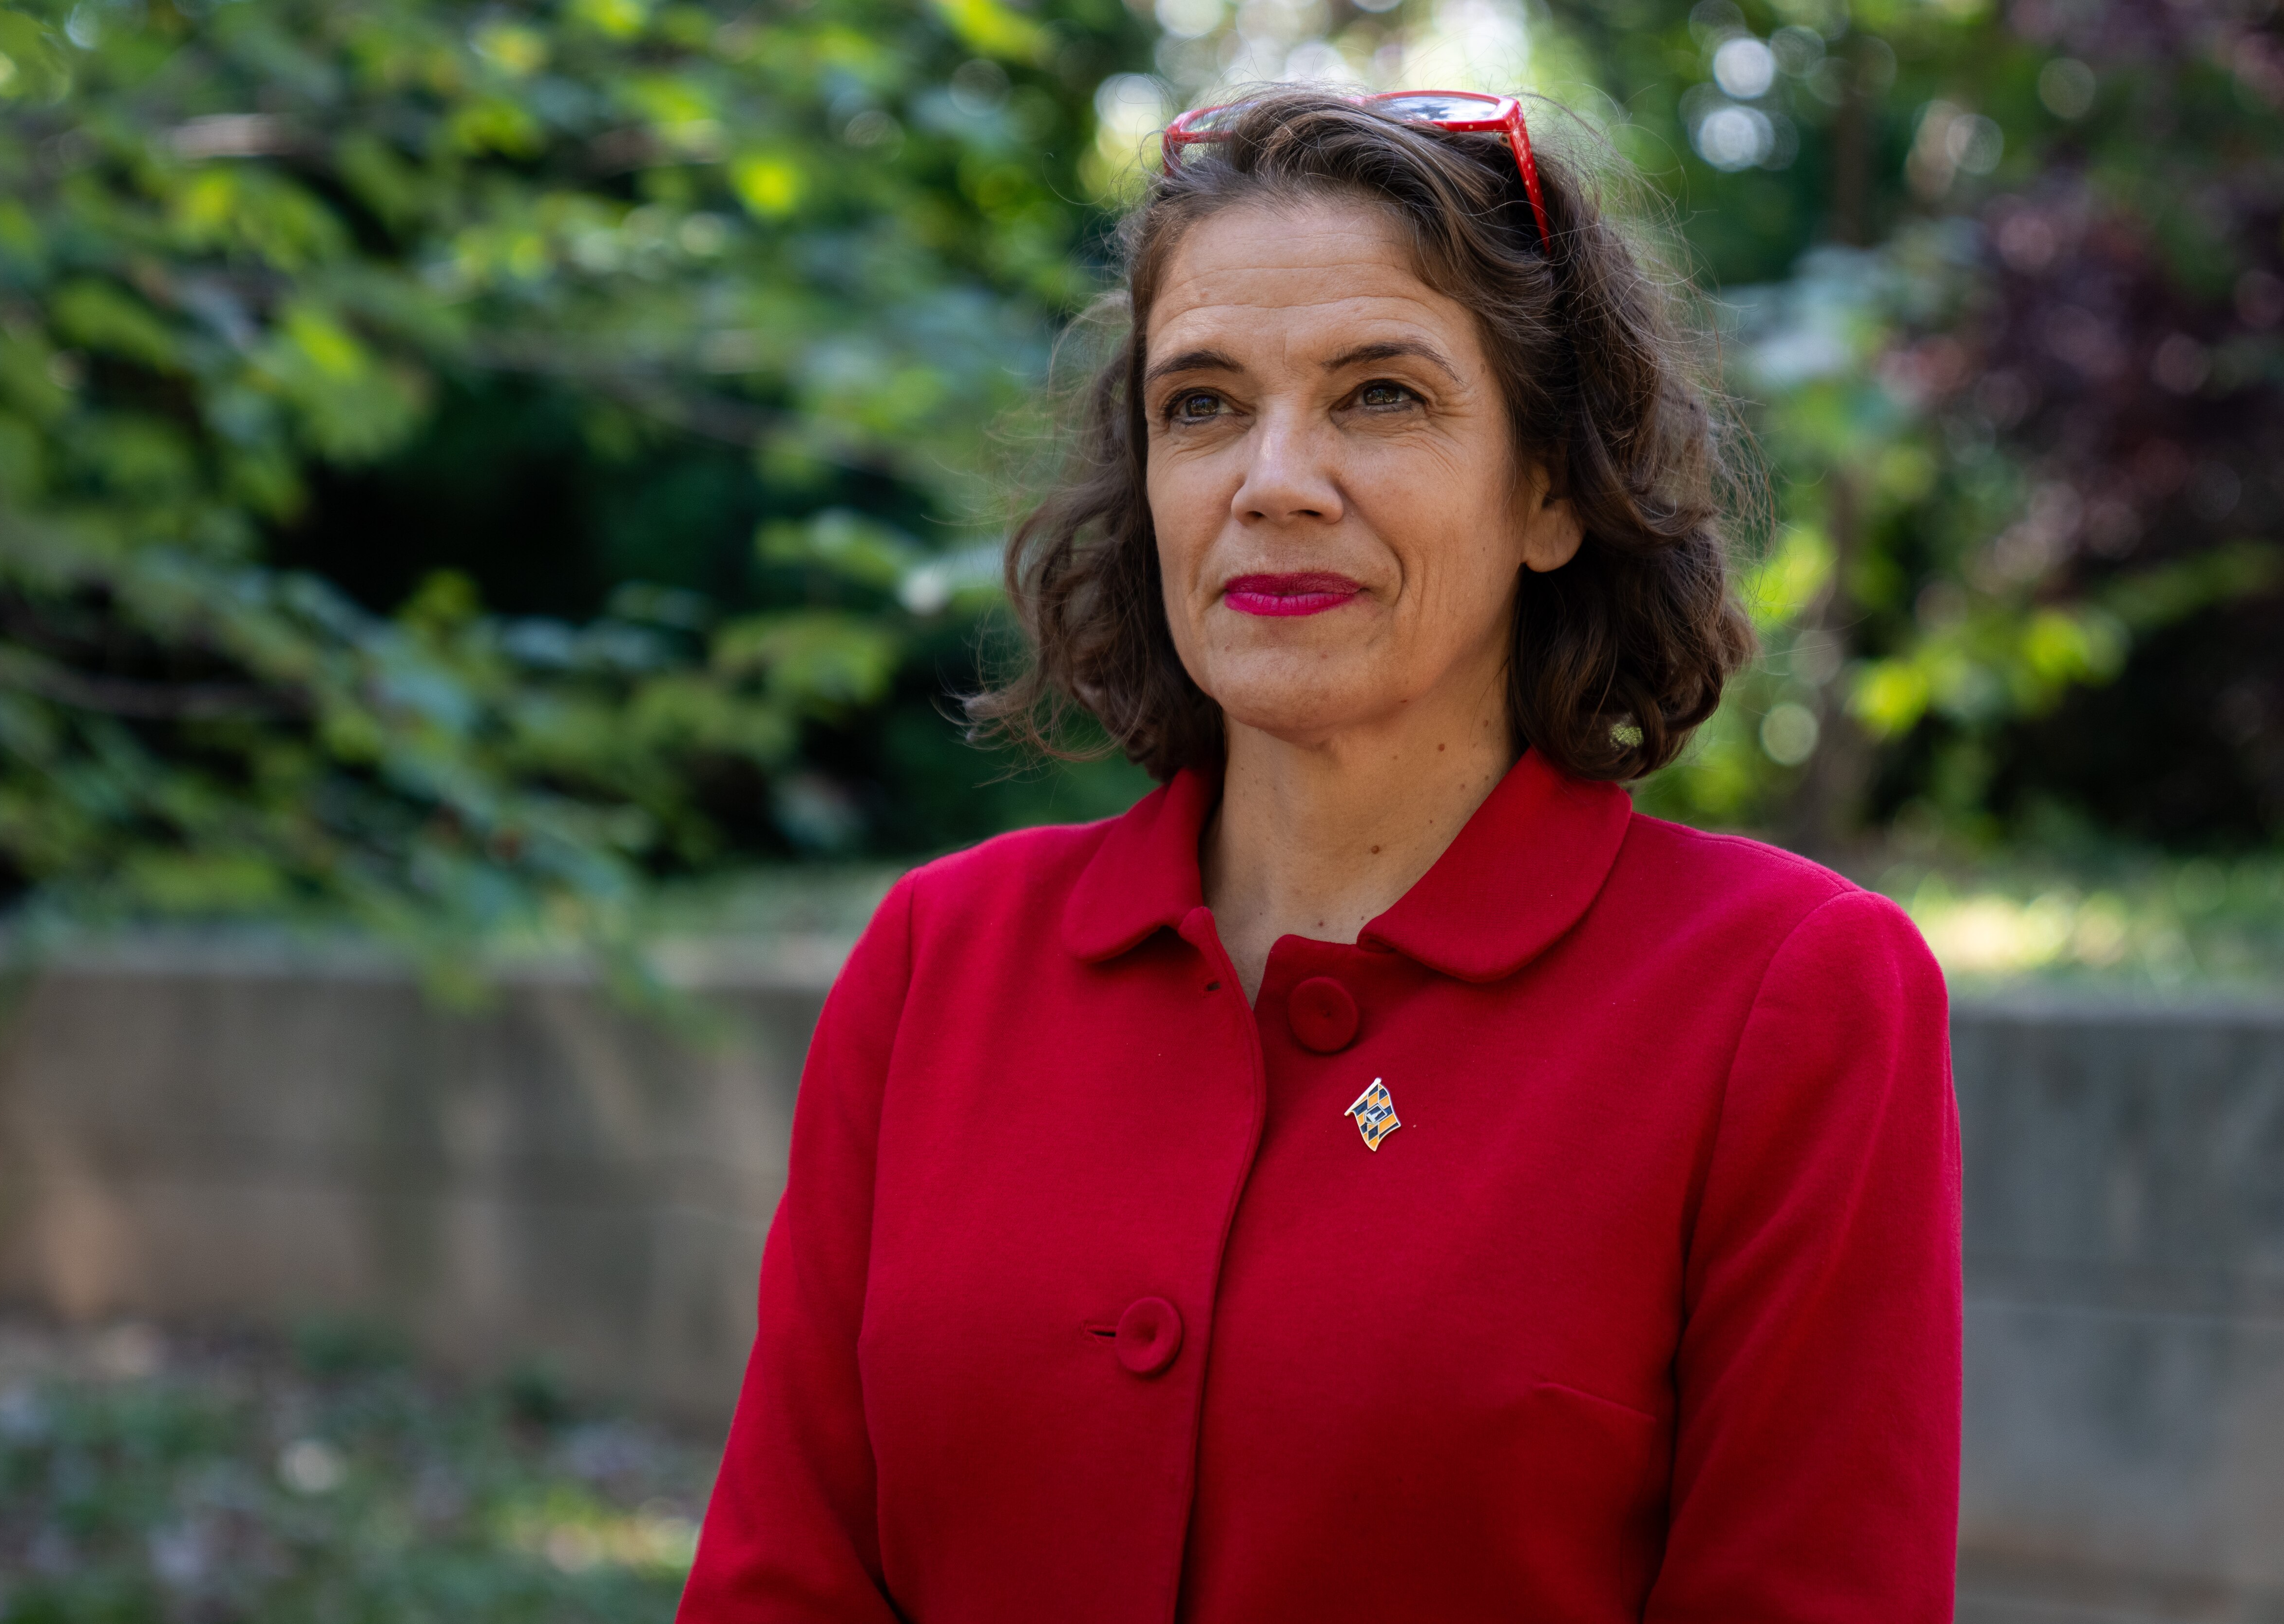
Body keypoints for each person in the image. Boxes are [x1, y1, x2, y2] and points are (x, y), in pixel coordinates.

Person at [678, 88, 1960, 1623]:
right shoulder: (938, 963)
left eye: (1381, 396)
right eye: (1202, 405)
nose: (1271, 480)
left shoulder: (1788, 1002)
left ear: (1552, 491)